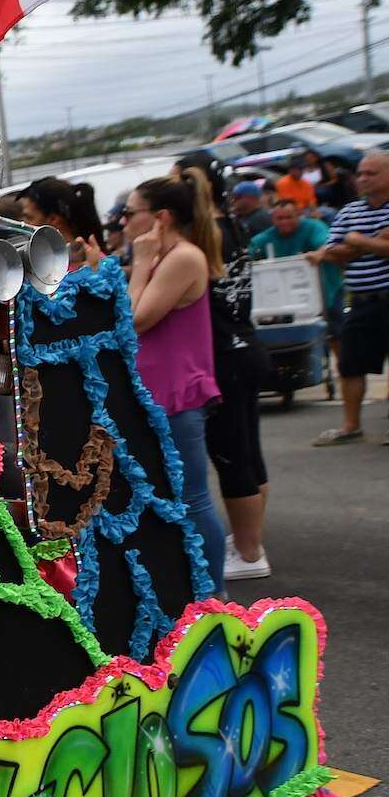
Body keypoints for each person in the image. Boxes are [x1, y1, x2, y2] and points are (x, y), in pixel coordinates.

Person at [122, 174, 229, 594]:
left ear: (160, 218)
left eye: (130, 214)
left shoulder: (183, 257)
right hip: (159, 396)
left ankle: (214, 594)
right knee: (168, 501)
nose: (122, 223)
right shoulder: (168, 258)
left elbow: (135, 320)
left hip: (179, 395)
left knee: (193, 499)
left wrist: (141, 261)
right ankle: (189, 591)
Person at [181, 157, 270, 582]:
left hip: (223, 355)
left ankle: (250, 550)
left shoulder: (201, 236)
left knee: (232, 457)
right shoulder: (236, 225)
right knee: (249, 452)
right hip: (247, 345)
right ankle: (250, 539)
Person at [309, 150, 389, 445]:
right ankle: (351, 425)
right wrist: (373, 242)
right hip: (361, 298)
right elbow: (331, 252)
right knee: (350, 364)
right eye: (361, 174)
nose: (363, 179)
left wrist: (356, 240)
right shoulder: (349, 212)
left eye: (371, 173)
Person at [252, 200, 342, 355]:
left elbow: (327, 245)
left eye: (289, 217)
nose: (284, 222)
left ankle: (343, 370)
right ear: (272, 219)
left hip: (327, 289)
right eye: (279, 218)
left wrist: (318, 254)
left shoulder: (314, 227)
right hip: (288, 300)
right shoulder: (263, 239)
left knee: (336, 334)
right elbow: (250, 255)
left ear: (298, 215)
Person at [20, 176, 106, 272]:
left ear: (53, 219)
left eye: (29, 217)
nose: (23, 223)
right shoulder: (39, 264)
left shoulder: (99, 265)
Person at [275, 153, 319, 217]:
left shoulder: (306, 183)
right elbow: (286, 204)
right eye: (298, 169)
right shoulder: (283, 183)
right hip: (290, 212)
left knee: (328, 212)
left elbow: (311, 200)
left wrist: (314, 211)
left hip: (306, 210)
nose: (300, 172)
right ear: (291, 170)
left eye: (301, 169)